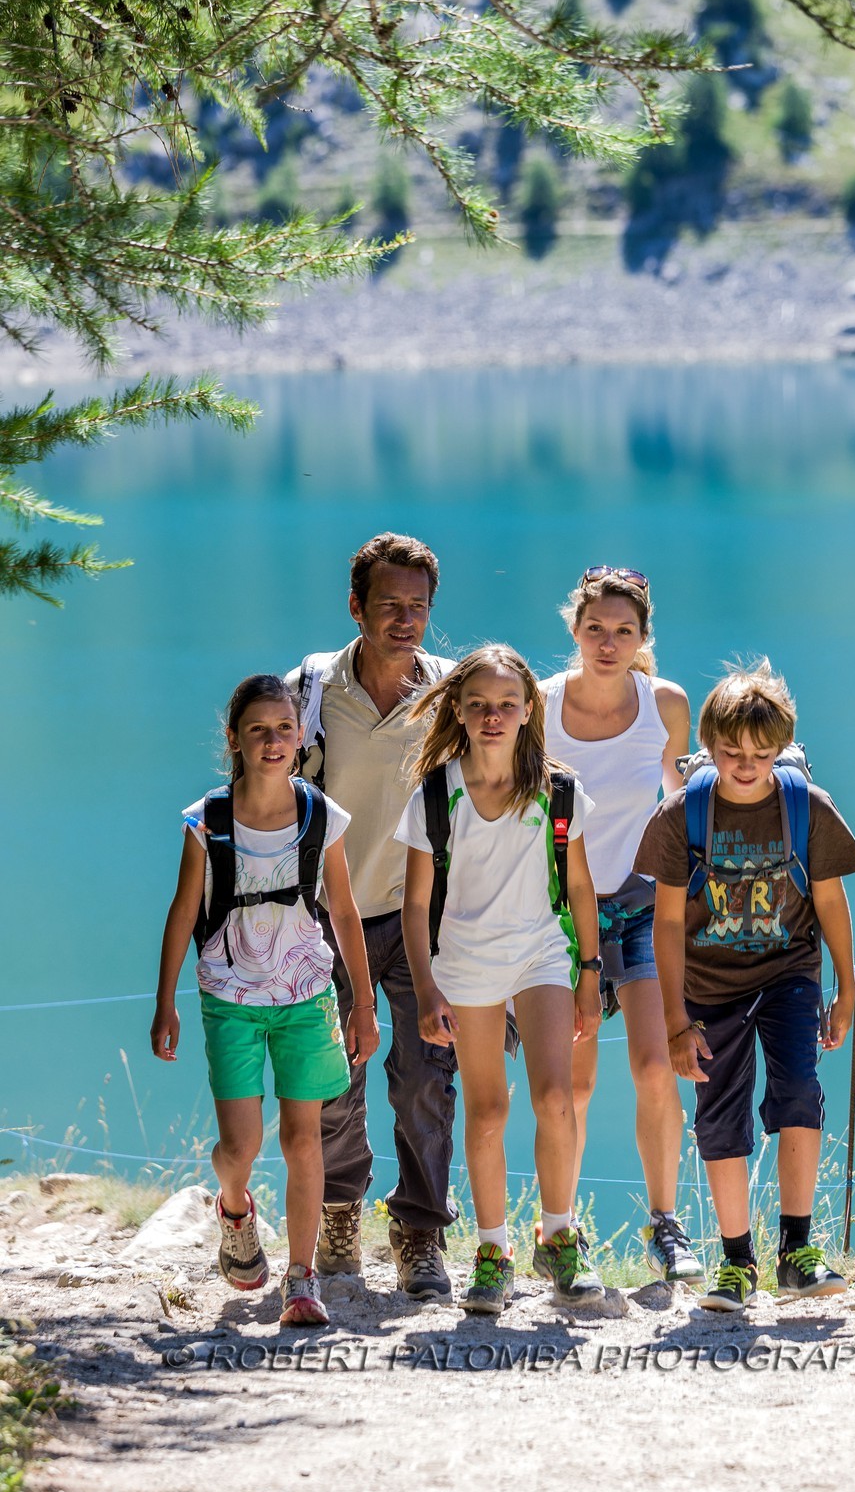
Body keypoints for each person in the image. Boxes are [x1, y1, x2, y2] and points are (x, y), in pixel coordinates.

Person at [634, 658, 855, 1311]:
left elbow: (830, 901)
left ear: (780, 749)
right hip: (707, 988)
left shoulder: (804, 807)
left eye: (760, 754)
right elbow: (667, 922)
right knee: (718, 1117)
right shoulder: (682, 815)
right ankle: (736, 1262)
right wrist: (675, 1021)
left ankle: (796, 1251)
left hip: (787, 973)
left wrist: (844, 991)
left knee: (798, 1090)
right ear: (707, 746)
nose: (744, 764)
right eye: (731, 751)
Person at [150, 675, 379, 1327]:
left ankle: (301, 1279)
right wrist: (164, 1001)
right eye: (258, 730)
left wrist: (362, 1003)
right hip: (229, 995)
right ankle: (234, 1205)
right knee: (241, 1146)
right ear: (235, 739)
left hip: (307, 995)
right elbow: (182, 910)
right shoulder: (208, 820)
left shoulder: (319, 816)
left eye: (284, 729)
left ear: (300, 737)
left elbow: (343, 908)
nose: (273, 741)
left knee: (305, 1140)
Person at [396, 644, 606, 1314]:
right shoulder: (437, 792)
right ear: (457, 710)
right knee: (487, 1111)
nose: (492, 717)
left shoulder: (558, 790)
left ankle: (558, 1236)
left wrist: (589, 974)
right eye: (479, 705)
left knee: (555, 1098)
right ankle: (493, 1252)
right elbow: (415, 902)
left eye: (506, 705)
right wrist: (426, 988)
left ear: (527, 711)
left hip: (540, 954)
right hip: (464, 963)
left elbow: (578, 887)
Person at [285, 533, 457, 1302]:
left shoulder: (450, 693)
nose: (403, 620)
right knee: (333, 1080)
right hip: (327, 917)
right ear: (354, 606)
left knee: (427, 1079)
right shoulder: (310, 693)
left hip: (425, 918)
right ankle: (339, 1215)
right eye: (388, 604)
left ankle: (419, 1231)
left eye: (417, 606)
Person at [540, 566, 703, 1284]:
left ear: (642, 639)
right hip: (559, 909)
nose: (607, 644)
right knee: (571, 1086)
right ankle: (561, 1234)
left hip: (641, 901)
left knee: (657, 1063)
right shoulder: (536, 705)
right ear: (574, 628)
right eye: (595, 629)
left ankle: (665, 1226)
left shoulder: (664, 705)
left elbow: (680, 801)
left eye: (624, 632)